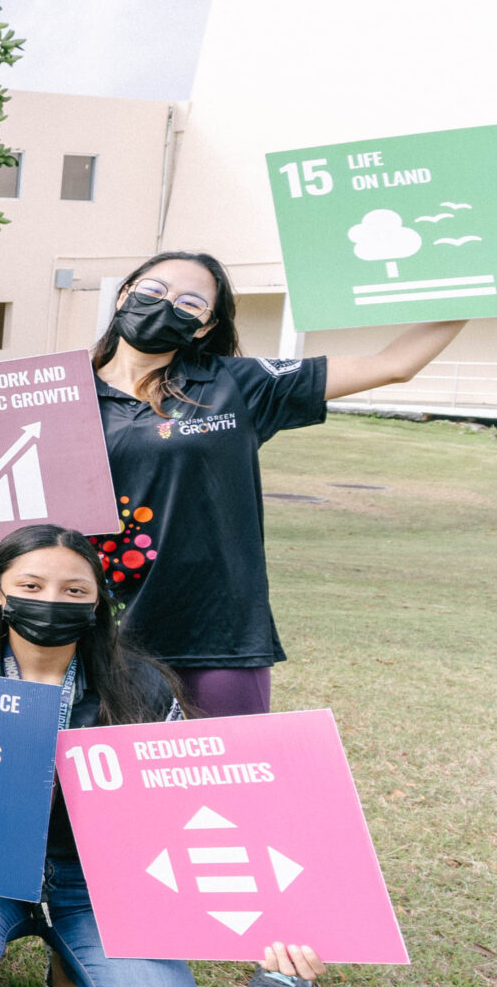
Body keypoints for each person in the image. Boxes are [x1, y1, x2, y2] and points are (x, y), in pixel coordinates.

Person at [0, 523, 328, 987]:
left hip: (101, 889)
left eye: (75, 590)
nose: (52, 601)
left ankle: (66, 969)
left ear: (98, 601)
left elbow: (202, 808)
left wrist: (276, 916)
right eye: (32, 585)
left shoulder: (140, 688)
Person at [79, 251, 464, 717]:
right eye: (154, 291)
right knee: (107, 783)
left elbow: (393, 363)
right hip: (98, 631)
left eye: (190, 303)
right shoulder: (61, 394)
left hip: (217, 634)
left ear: (204, 326)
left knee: (229, 781)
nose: (167, 306)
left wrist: (475, 291)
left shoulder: (238, 385)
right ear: (125, 294)